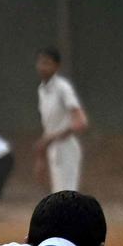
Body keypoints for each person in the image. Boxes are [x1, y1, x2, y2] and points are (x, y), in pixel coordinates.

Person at [34, 47, 88, 193]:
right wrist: (41, 155)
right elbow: (49, 126)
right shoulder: (42, 90)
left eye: (47, 63)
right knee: (58, 195)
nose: (42, 67)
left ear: (56, 66)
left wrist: (55, 136)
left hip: (67, 147)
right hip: (53, 149)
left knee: (67, 194)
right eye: (40, 63)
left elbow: (81, 121)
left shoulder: (63, 88)